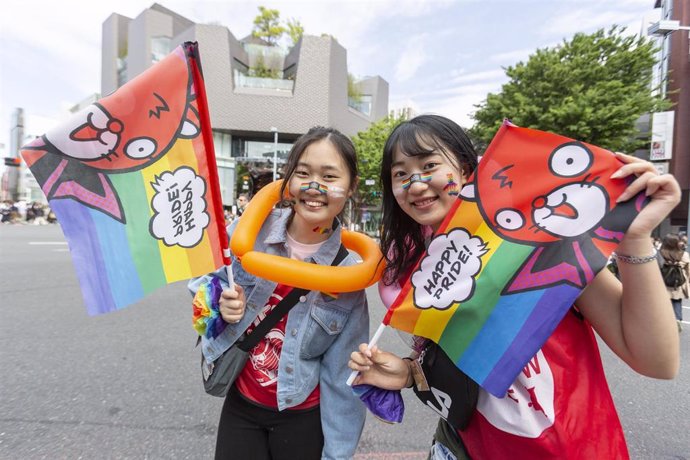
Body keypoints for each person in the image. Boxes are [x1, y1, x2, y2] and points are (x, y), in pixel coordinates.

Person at [348, 114, 681, 459]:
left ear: (465, 169)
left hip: (576, 447)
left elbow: (656, 362)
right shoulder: (413, 272)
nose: (415, 184)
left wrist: (636, 239)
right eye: (400, 174)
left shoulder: (539, 240)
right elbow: (454, 371)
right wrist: (406, 373)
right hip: (466, 447)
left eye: (429, 164)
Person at [189, 126, 368, 460]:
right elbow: (200, 283)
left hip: (301, 415)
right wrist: (218, 303)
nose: (315, 186)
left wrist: (337, 454)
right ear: (288, 180)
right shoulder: (249, 231)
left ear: (351, 187)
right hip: (241, 405)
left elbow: (343, 375)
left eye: (329, 176)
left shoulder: (348, 275)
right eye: (303, 173)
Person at [659, 233, 689, 332]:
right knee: (677, 301)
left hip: (663, 282)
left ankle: (664, 322)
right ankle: (677, 320)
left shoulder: (660, 254)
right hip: (678, 283)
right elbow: (688, 270)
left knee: (663, 303)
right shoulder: (683, 254)